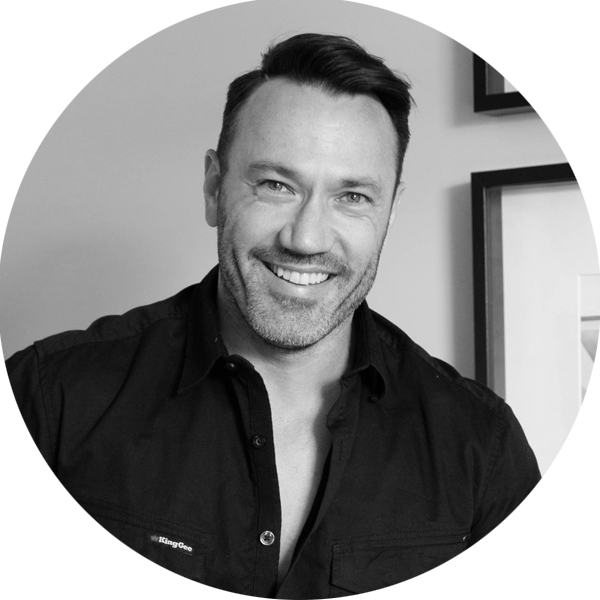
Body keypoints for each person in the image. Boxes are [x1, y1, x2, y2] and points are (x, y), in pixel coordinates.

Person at [6, 33, 540, 597]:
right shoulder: (50, 401)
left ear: (390, 212)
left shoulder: (482, 447)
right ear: (214, 188)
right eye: (276, 185)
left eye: (352, 197)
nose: (306, 239)